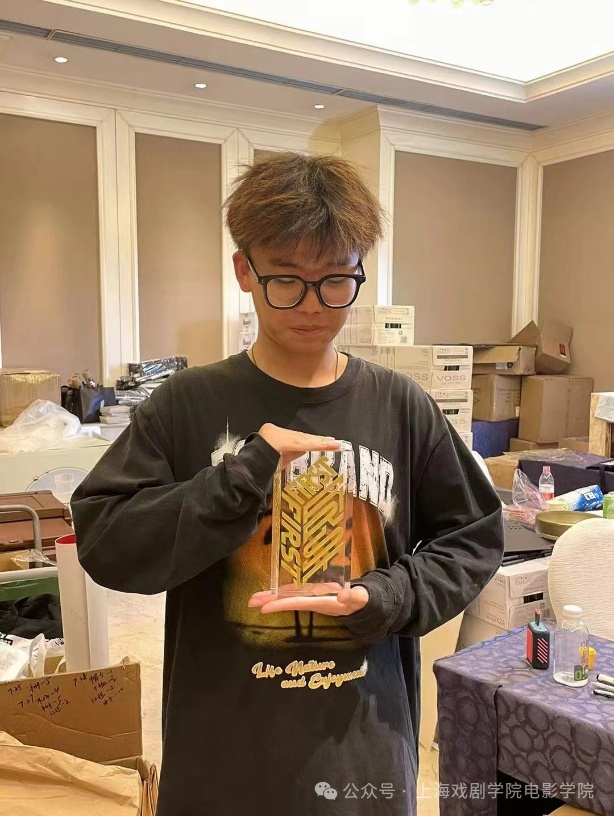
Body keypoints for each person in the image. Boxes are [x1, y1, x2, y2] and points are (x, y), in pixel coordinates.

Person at [72, 153, 504, 815]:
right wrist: (238, 479)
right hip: (222, 759)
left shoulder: (401, 406)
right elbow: (106, 542)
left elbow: (473, 538)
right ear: (244, 270)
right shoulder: (185, 404)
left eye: (335, 281)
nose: (312, 306)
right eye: (286, 280)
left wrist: (386, 595)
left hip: (363, 756)